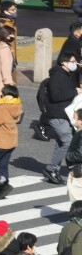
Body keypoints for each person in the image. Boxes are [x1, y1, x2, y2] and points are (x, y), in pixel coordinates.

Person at [43, 54, 82, 185]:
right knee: (68, 142)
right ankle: (51, 169)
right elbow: (55, 96)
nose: (74, 63)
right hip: (57, 115)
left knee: (61, 143)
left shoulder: (66, 75)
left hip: (64, 115)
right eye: (72, 61)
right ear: (64, 63)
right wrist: (75, 92)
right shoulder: (56, 76)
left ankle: (54, 170)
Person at [0, 25, 17, 113]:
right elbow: (5, 68)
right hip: (2, 82)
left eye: (13, 34)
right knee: (2, 107)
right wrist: (9, 82)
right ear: (5, 35)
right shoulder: (5, 49)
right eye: (10, 34)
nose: (12, 36)